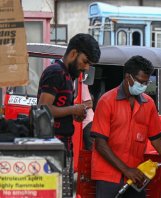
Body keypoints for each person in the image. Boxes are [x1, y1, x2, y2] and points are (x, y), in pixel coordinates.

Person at [90, 55, 161, 198]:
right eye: (141, 82)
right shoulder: (107, 101)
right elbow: (100, 144)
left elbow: (157, 140)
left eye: (147, 83)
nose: (144, 86)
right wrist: (126, 170)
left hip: (136, 175)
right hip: (108, 176)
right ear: (128, 77)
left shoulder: (148, 104)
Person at [37, 33, 100, 196]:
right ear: (73, 54)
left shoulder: (68, 76)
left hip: (63, 147)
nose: (86, 68)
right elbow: (43, 109)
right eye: (85, 62)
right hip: (51, 149)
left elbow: (58, 108)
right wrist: (73, 109)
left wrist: (74, 113)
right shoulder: (56, 72)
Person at [82, 83, 95, 150]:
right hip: (80, 122)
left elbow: (89, 103)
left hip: (87, 122)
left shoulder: (82, 84)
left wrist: (71, 108)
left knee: (92, 151)